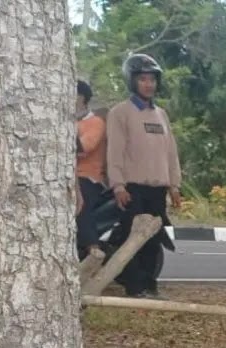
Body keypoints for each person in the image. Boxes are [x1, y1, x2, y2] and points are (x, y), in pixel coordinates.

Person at [105, 53, 182, 299]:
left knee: (153, 240)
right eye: (143, 79)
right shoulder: (120, 113)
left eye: (152, 79)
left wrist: (174, 186)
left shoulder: (161, 115)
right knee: (133, 240)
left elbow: (171, 153)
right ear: (132, 81)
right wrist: (118, 186)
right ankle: (135, 289)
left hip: (157, 190)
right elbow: (115, 152)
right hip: (132, 188)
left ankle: (150, 286)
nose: (149, 84)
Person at [75, 79, 107, 256]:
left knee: (80, 203)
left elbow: (84, 148)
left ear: (83, 98)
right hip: (69, 177)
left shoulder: (95, 122)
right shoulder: (67, 122)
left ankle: (92, 248)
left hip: (88, 178)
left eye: (75, 95)